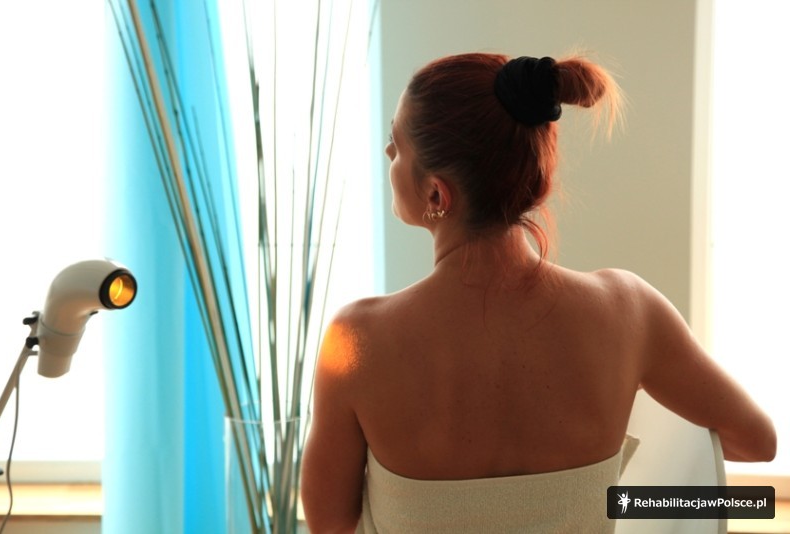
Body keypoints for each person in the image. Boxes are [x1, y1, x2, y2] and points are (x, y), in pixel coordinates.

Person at [300, 52, 776, 533]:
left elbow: (330, 526)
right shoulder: (628, 310)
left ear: (437, 195)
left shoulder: (355, 342)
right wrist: (619, 499)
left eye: (396, 144)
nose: (388, 154)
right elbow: (757, 441)